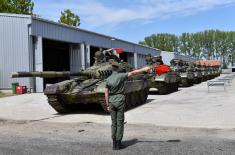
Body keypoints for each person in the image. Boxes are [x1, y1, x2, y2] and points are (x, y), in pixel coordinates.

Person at [104, 61, 152, 150]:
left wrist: (107, 104)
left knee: (113, 123)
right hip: (120, 101)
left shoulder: (108, 79)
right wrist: (144, 69)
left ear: (112, 69)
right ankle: (118, 144)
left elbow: (106, 93)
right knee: (120, 123)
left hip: (111, 102)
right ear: (118, 68)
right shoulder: (121, 76)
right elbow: (133, 73)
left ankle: (114, 143)